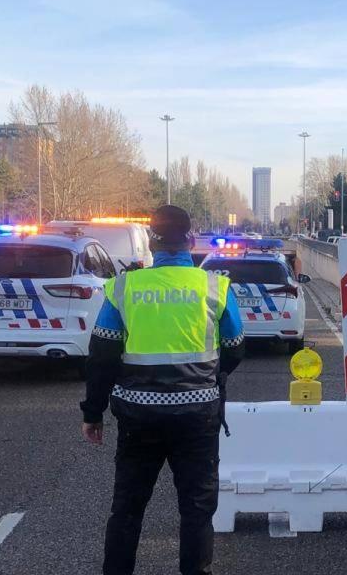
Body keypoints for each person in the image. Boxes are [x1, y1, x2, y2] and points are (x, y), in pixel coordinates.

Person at [81, 205, 245, 575]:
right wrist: (207, 375)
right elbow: (235, 349)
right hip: (197, 416)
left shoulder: (126, 287)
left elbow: (102, 355)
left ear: (151, 242)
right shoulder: (214, 286)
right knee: (197, 510)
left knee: (126, 509)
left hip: (139, 417)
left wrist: (93, 412)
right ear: (190, 239)